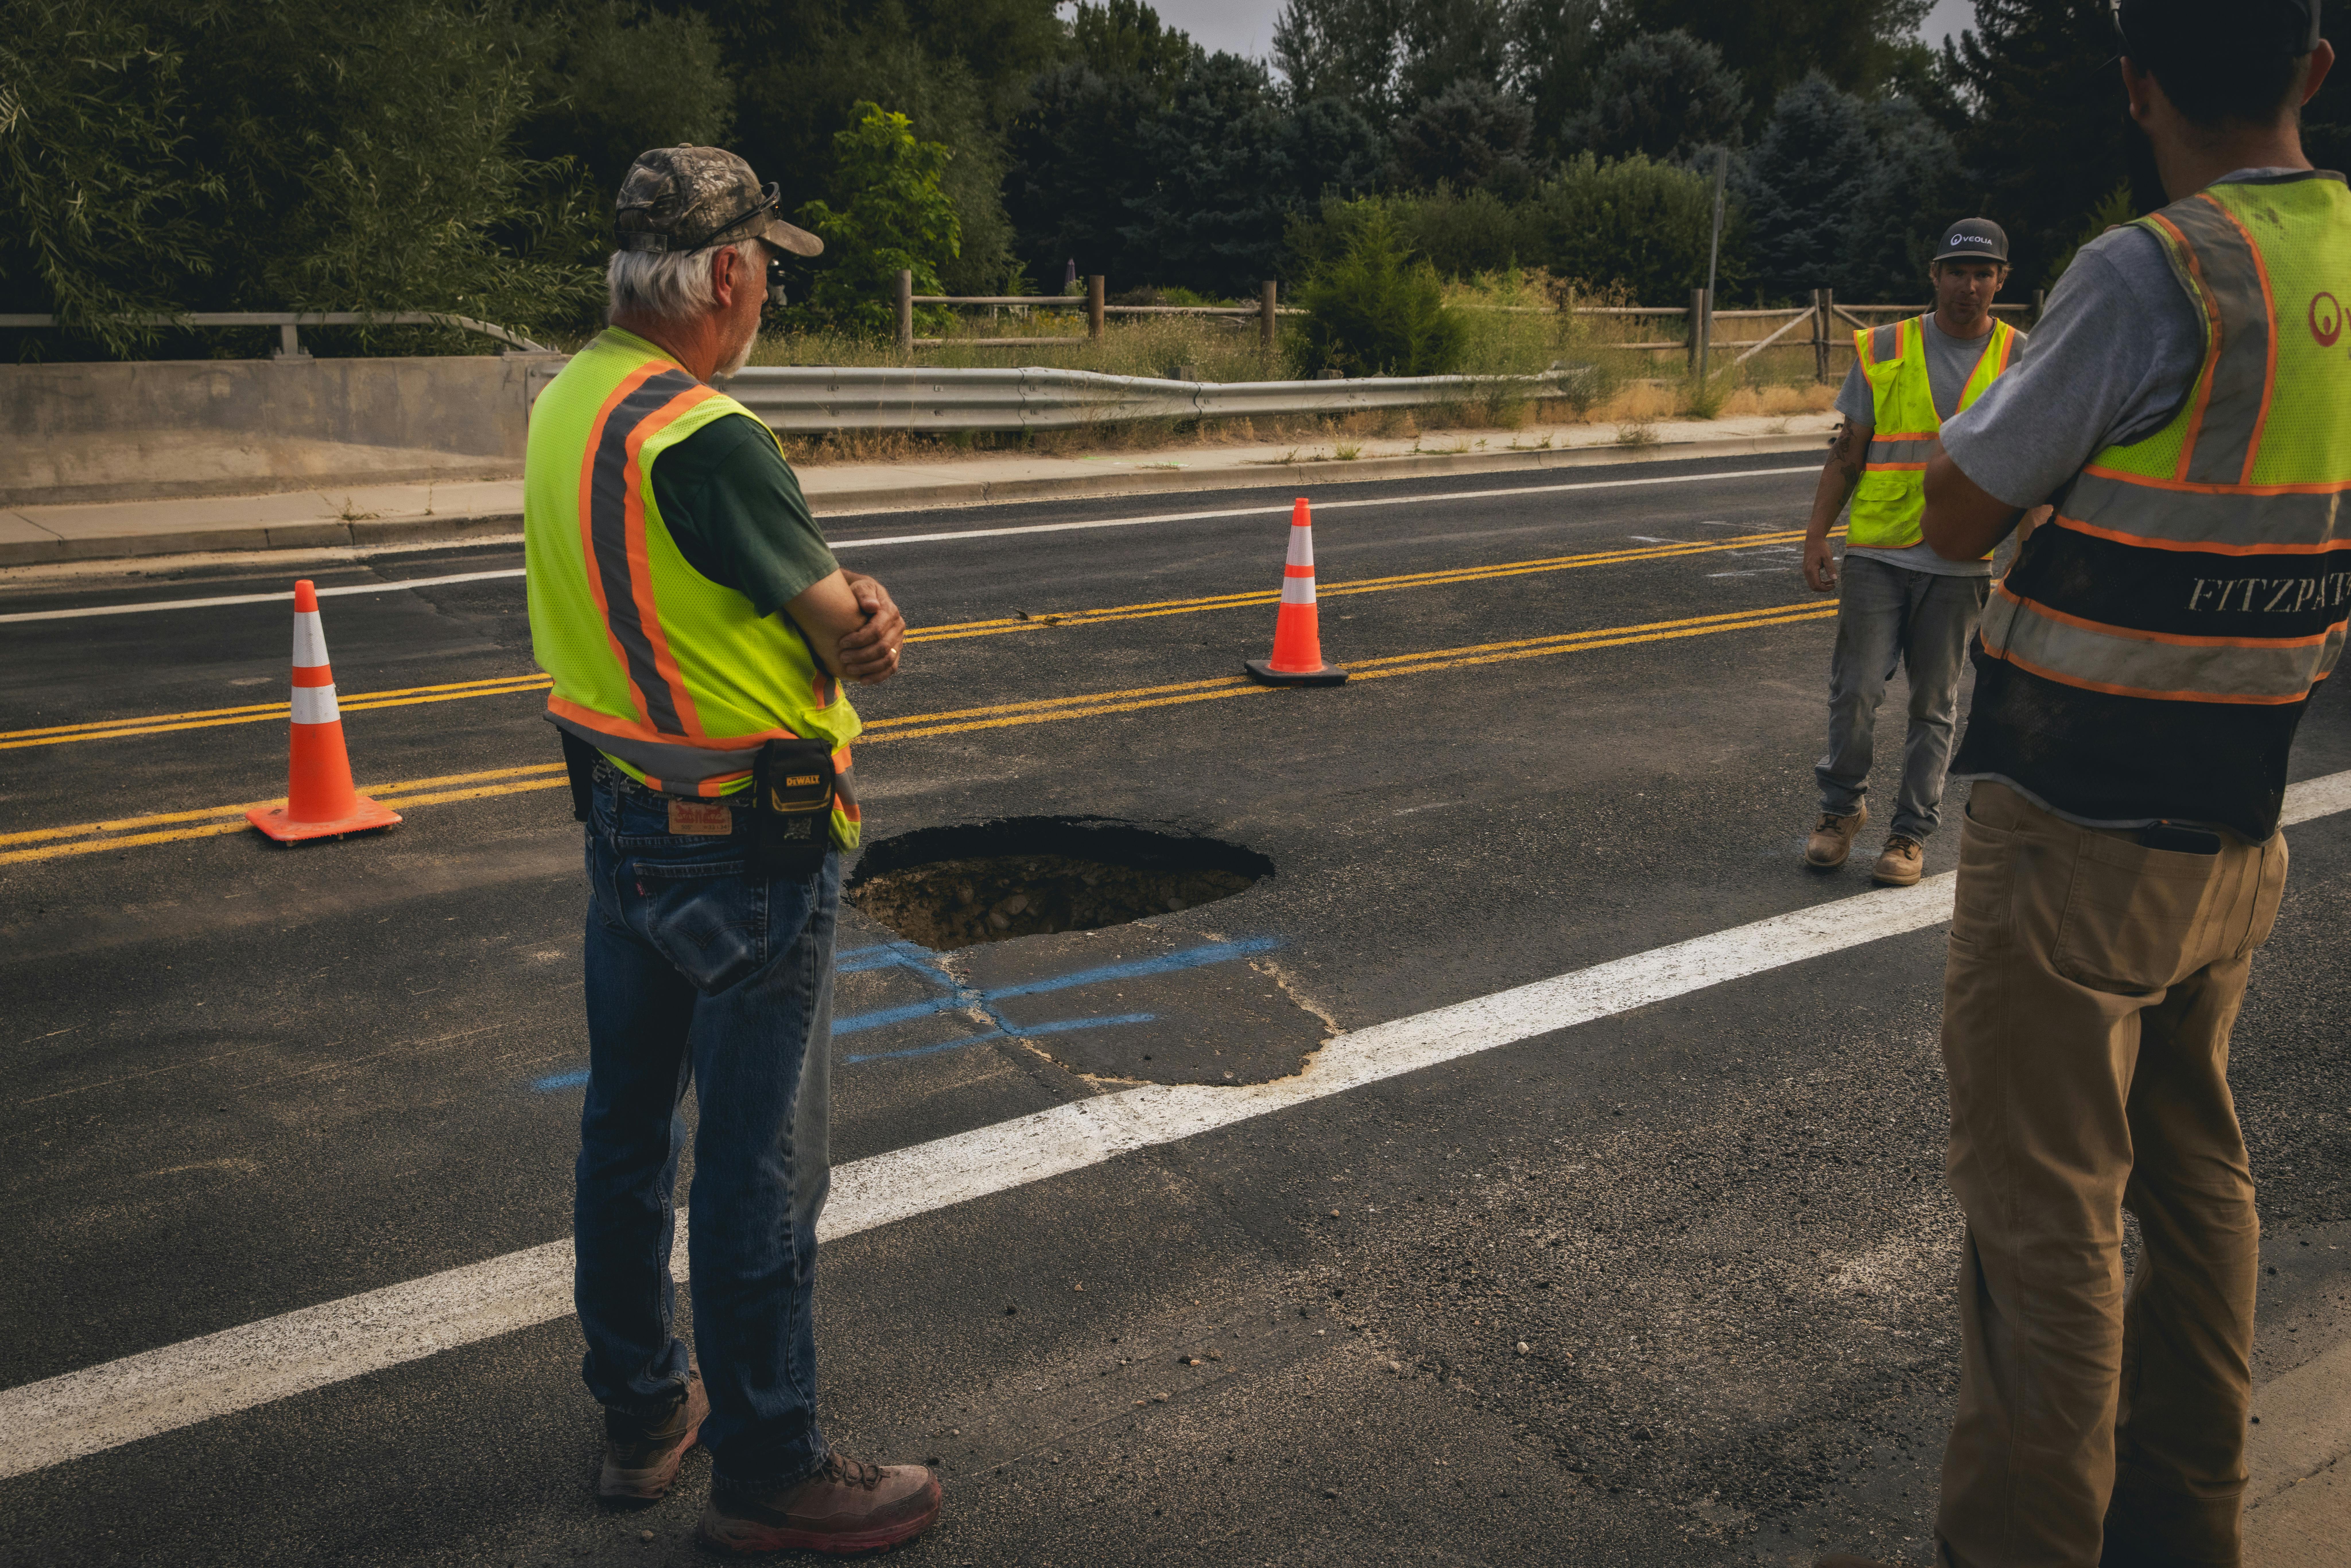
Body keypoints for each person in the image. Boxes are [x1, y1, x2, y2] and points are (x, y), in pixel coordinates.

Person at [1817, 2, 2342, 1565]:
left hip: (2077, 829)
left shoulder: (2154, 269)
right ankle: (2191, 1526)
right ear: (2315, 68)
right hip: (2241, 814)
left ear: (2136, 87)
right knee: (2196, 1176)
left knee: (2040, 1226)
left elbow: (1965, 504)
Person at [522, 145, 941, 1556]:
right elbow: (841, 624)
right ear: (720, 274)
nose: (768, 289)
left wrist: (837, 606)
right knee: (762, 1164)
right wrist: (867, 611)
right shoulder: (704, 432)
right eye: (765, 263)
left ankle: (644, 1412)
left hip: (625, 821)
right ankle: (772, 1464)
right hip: (749, 848)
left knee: (627, 1130)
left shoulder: (572, 398)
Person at [1799, 221, 2028, 888]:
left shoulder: (2021, 358)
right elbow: (1849, 451)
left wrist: (2030, 556)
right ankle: (1840, 812)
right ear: (1934, 275)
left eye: (1983, 273)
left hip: (1963, 558)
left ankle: (1910, 832)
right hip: (1878, 550)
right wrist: (1817, 535)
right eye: (1957, 272)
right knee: (1856, 692)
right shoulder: (1886, 346)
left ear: (2000, 281)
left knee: (1935, 703)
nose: (1969, 285)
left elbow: (2034, 468)